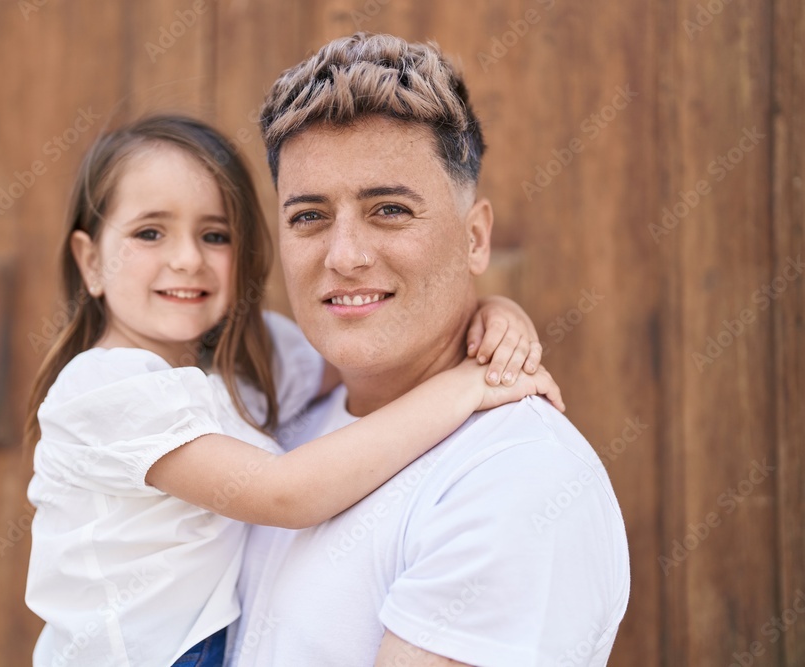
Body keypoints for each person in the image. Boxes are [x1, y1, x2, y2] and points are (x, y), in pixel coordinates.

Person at [22, 115, 561, 667]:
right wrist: (464, 388)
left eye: (215, 235)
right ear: (91, 262)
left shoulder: (252, 358)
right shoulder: (104, 388)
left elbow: (369, 349)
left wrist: (494, 313)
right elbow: (286, 494)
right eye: (149, 233)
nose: (187, 259)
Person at [229, 34, 631, 667]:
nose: (345, 256)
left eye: (389, 209)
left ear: (476, 239)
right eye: (309, 216)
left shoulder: (517, 477)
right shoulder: (280, 418)